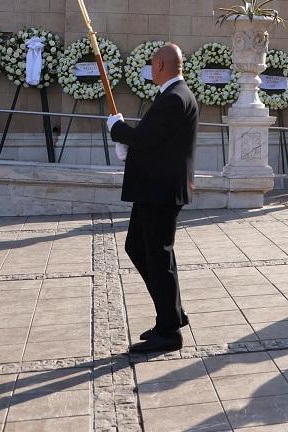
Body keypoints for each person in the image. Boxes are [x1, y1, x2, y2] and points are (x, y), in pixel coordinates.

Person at [107, 43, 198, 354]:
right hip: (154, 189)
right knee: (139, 248)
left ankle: (169, 330)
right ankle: (171, 314)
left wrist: (117, 129)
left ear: (160, 64)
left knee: (158, 257)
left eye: (151, 63)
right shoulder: (173, 95)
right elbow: (156, 141)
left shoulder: (174, 98)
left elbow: (144, 138)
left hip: (159, 192)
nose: (150, 68)